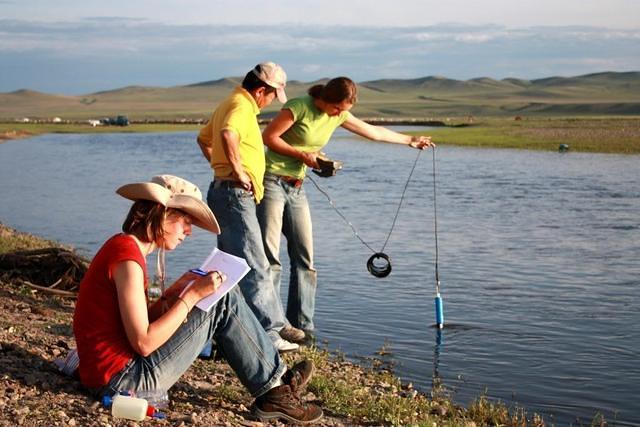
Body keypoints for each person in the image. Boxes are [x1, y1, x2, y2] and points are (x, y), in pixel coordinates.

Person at [72, 174, 323, 424]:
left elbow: (136, 324)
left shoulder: (124, 248)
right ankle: (275, 389)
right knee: (223, 300)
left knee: (220, 295)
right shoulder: (128, 259)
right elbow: (144, 342)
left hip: (112, 375)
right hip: (123, 382)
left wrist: (174, 292)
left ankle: (277, 380)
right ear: (163, 213)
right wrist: (192, 295)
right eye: (186, 221)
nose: (189, 232)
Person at [259, 77, 435, 336]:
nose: (341, 114)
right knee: (271, 259)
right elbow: (269, 137)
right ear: (326, 100)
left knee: (305, 259)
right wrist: (303, 155)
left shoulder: (339, 114)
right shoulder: (299, 107)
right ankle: (270, 327)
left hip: (297, 186)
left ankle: (302, 328)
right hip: (272, 181)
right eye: (338, 109)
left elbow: (374, 131)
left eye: (345, 110)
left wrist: (410, 139)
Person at [196, 62, 305, 351]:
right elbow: (227, 135)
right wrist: (237, 172)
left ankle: (225, 329)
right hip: (234, 195)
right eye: (271, 96)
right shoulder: (241, 108)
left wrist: (220, 168)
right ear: (261, 91)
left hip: (227, 192)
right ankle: (271, 331)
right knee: (255, 263)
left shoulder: (230, 102)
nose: (271, 102)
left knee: (232, 265)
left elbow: (203, 139)